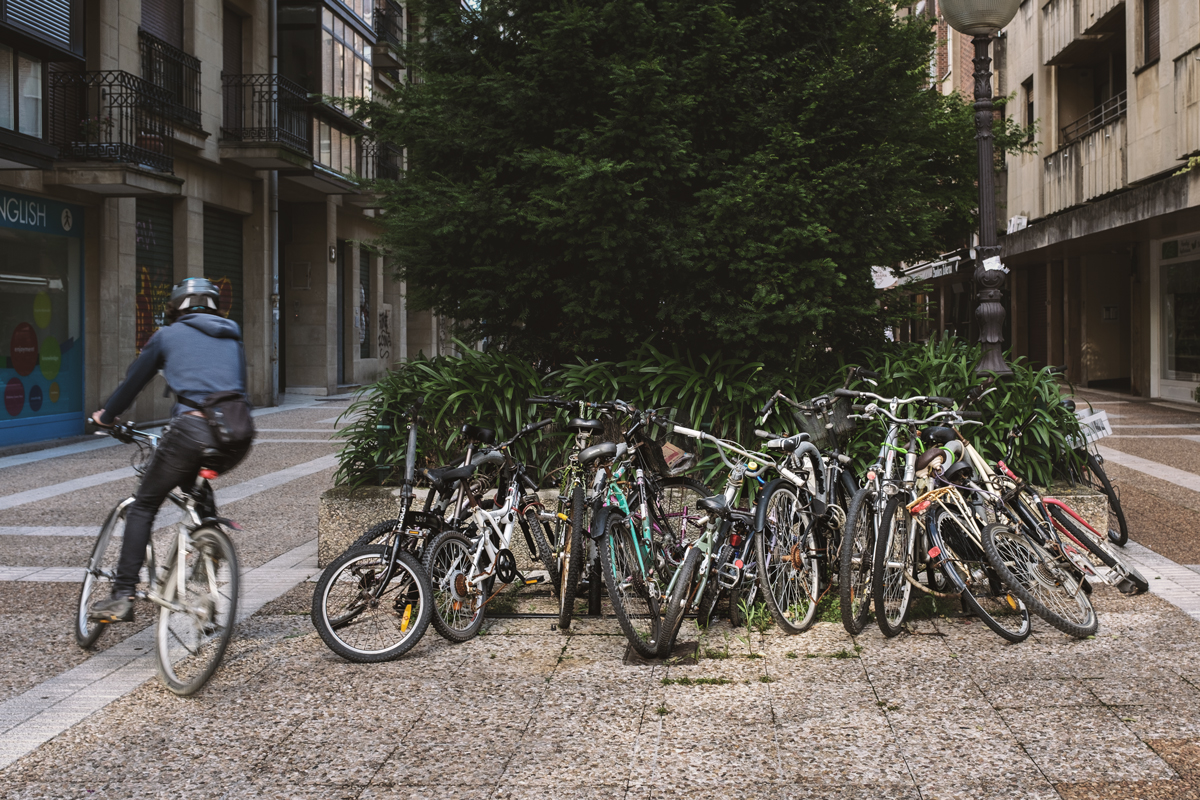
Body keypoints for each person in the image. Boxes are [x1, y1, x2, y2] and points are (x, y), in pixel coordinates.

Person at [88, 277, 250, 623]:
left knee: (144, 505)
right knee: (198, 493)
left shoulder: (167, 335)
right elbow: (237, 388)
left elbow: (134, 382)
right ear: (213, 307)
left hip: (190, 431)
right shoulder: (231, 332)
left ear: (175, 307)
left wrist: (106, 416)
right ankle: (209, 555)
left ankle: (122, 593)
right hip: (237, 433)